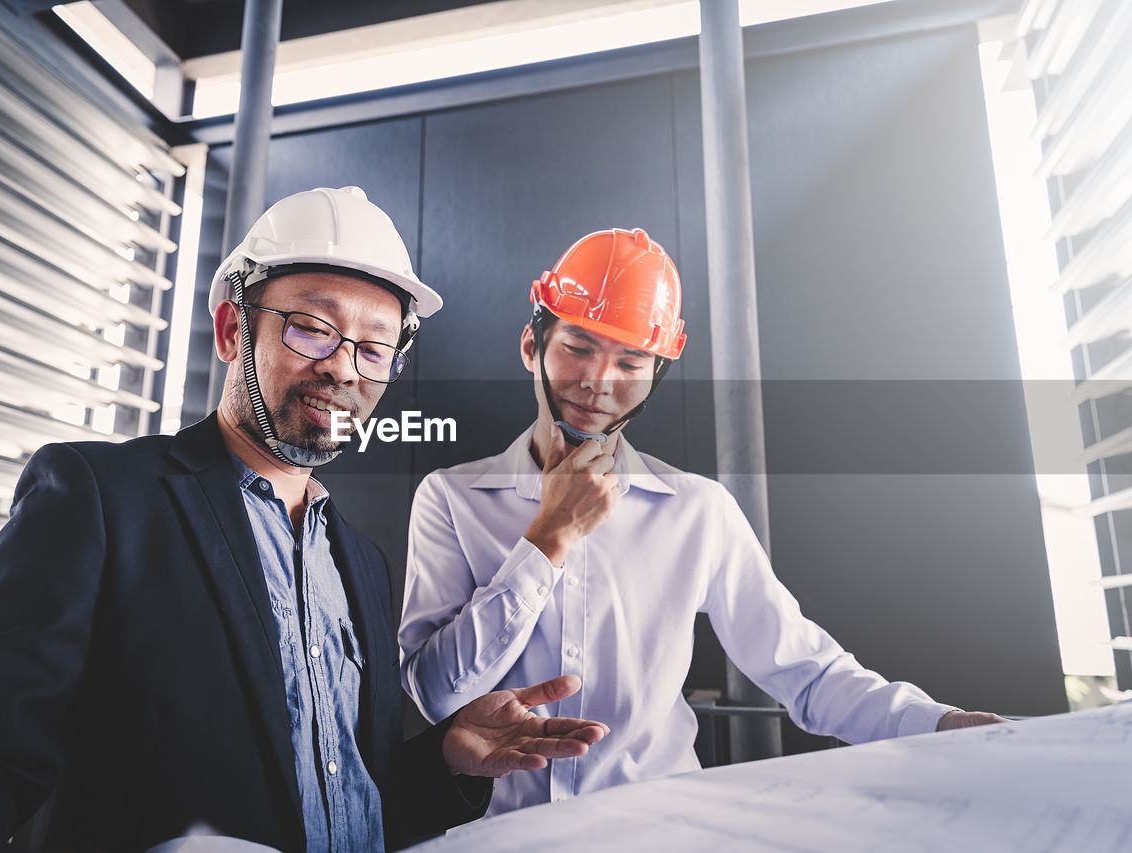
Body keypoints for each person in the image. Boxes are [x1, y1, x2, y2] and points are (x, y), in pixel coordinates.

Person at [0, 187, 608, 852]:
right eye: (312, 327)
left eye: (375, 349)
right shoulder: (100, 499)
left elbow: (345, 803)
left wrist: (446, 757)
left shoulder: (364, 564)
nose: (344, 368)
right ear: (229, 331)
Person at [397, 227, 1003, 817]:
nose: (599, 383)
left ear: (656, 375)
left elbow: (807, 672)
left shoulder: (697, 509)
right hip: (502, 839)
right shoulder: (452, 498)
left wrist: (940, 726)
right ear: (533, 347)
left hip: (659, 833)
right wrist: (549, 537)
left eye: (631, 362)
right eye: (578, 347)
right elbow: (434, 694)